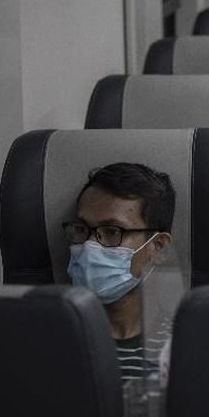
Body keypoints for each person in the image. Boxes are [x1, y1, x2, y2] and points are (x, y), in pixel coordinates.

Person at [62, 162, 175, 383]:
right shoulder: (49, 340)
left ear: (158, 247)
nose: (88, 246)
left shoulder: (180, 346)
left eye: (112, 231)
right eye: (81, 229)